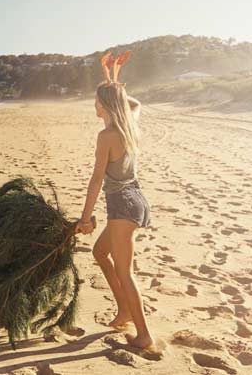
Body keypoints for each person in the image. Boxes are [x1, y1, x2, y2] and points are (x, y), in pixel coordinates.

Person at [76, 51, 156, 351]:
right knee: (100, 252)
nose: (94, 105)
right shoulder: (129, 125)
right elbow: (135, 104)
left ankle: (144, 334)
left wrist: (85, 218)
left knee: (125, 271)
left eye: (97, 100)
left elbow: (96, 180)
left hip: (122, 205)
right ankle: (124, 310)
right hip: (134, 200)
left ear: (105, 105)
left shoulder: (107, 135)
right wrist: (114, 84)